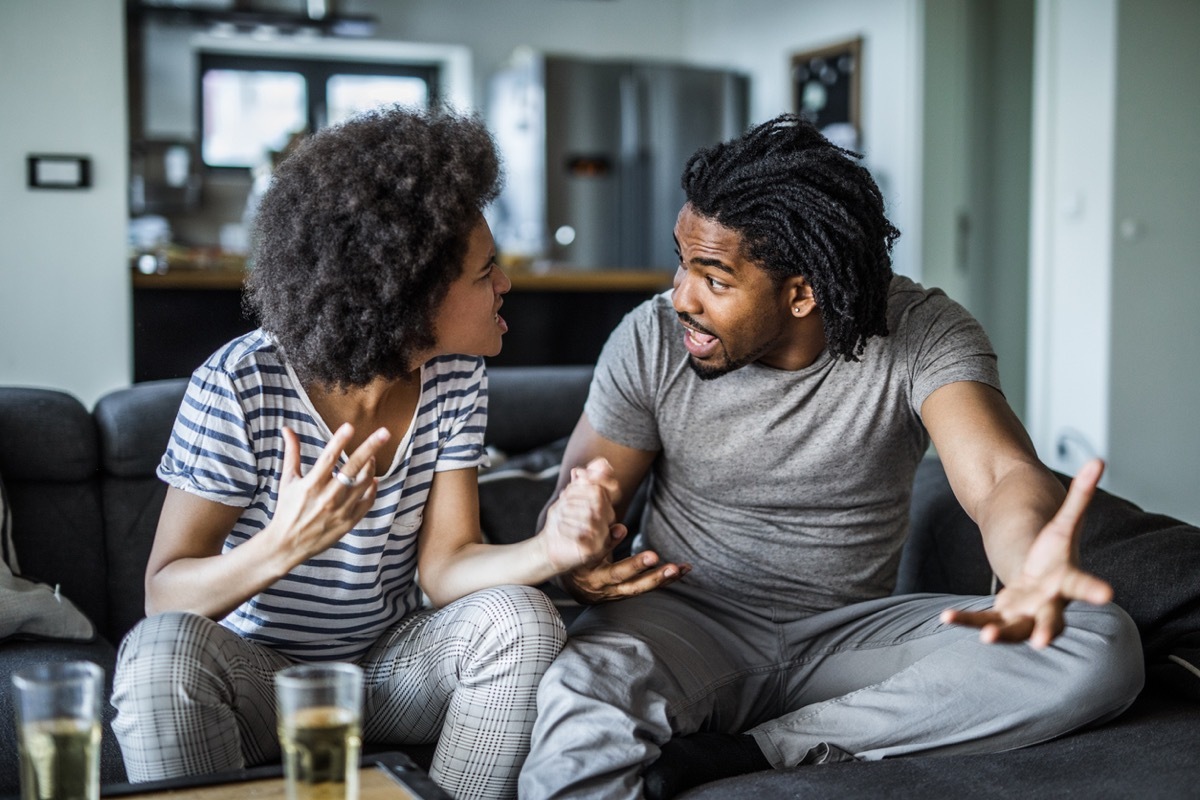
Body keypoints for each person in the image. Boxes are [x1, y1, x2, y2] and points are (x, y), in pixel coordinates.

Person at [518, 114, 1145, 800]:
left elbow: (998, 477)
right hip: (678, 620)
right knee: (579, 697)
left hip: (844, 642)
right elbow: (574, 502)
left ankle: (757, 751)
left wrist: (1027, 566)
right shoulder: (650, 339)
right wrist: (578, 552)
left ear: (802, 293)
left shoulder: (921, 331)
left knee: (1099, 646)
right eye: (681, 262)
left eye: (715, 279)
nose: (680, 296)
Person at [111, 106, 618, 800]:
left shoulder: (455, 376)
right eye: (485, 272)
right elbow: (162, 594)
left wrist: (554, 552)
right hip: (261, 680)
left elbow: (446, 569)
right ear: (408, 293)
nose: (506, 284)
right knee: (155, 656)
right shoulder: (240, 381)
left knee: (522, 620)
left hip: (385, 673)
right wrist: (283, 544)